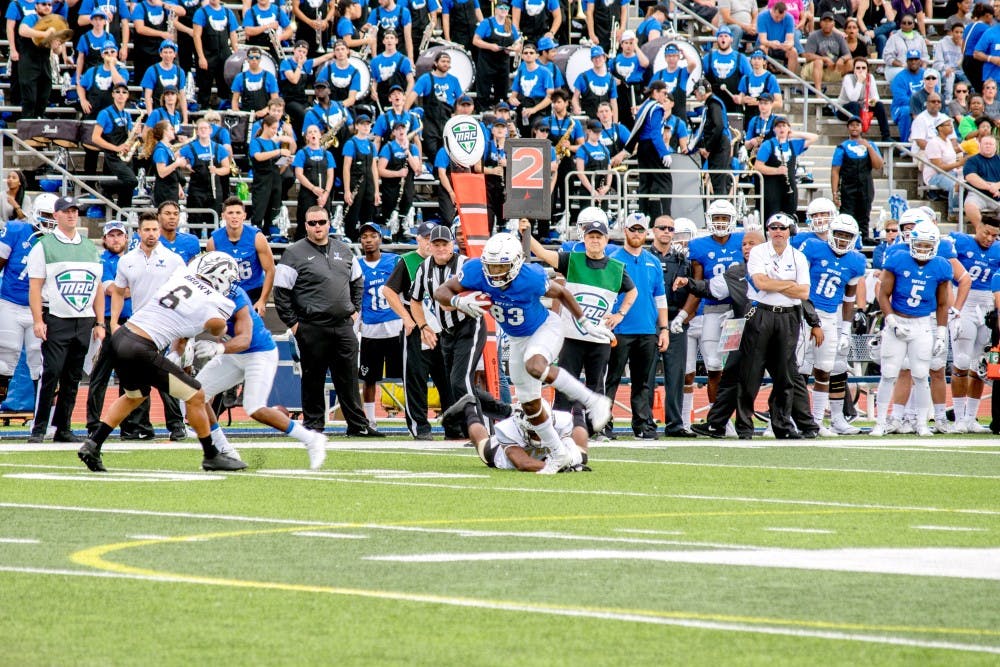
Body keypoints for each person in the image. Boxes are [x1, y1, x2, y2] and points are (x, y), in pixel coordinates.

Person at [435, 231, 613, 471]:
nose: (495, 273)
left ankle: (594, 401)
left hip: (544, 327)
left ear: (516, 263)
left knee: (536, 365)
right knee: (530, 405)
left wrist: (585, 322)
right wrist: (458, 301)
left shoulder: (530, 277)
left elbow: (561, 291)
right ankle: (559, 454)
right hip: (517, 338)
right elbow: (441, 291)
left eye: (501, 267)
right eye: (492, 267)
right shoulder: (476, 270)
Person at [77, 253, 247, 473]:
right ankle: (211, 455)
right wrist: (219, 328)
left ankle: (93, 444)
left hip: (121, 338)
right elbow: (217, 327)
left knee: (135, 396)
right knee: (196, 395)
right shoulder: (218, 300)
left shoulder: (181, 275)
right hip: (141, 347)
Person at [273, 205, 383, 437]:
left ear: (329, 223)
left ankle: (358, 425)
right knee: (313, 378)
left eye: (321, 222)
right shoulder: (293, 253)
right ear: (305, 226)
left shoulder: (344, 250)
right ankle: (314, 426)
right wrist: (294, 324)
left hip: (343, 325)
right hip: (311, 326)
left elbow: (358, 282)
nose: (317, 227)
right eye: (312, 223)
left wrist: (354, 311)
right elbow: (281, 292)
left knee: (349, 378)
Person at [522, 216, 636, 435]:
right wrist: (526, 233)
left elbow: (633, 291)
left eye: (599, 237)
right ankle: (562, 427)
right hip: (571, 336)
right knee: (565, 381)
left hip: (599, 338)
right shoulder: (571, 260)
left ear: (606, 240)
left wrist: (620, 314)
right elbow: (543, 254)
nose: (595, 241)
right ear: (584, 239)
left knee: (596, 385)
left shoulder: (616, 268)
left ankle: (595, 429)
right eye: (591, 236)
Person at [197, 283, 329, 468]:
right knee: (196, 395)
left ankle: (311, 439)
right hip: (232, 355)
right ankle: (225, 450)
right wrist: (178, 349)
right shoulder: (202, 294)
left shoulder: (236, 297)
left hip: (258, 354)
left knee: (254, 408)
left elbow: (245, 340)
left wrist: (218, 348)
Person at [27, 196, 105, 443]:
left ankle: (64, 426)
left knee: (73, 377)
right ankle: (39, 427)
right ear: (56, 214)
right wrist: (38, 320)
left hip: (83, 319)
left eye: (74, 211)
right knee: (51, 373)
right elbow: (35, 287)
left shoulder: (90, 246)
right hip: (57, 317)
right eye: (67, 211)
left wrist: (100, 322)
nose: (72, 215)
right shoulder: (44, 245)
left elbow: (98, 287)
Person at [107, 212, 188, 440]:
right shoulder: (127, 260)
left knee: (166, 378)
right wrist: (114, 322)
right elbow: (119, 292)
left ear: (159, 231)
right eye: (147, 230)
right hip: (138, 328)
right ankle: (139, 427)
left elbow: (184, 295)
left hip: (165, 327)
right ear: (139, 232)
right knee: (136, 379)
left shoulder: (174, 260)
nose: (151, 234)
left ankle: (176, 425)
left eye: (154, 229)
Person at [870, 221, 953, 437]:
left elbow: (943, 303)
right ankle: (880, 422)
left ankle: (922, 423)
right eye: (920, 244)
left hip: (922, 323)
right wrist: (891, 320)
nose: (923, 249)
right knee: (888, 373)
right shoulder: (898, 258)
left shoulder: (942, 265)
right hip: (897, 320)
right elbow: (883, 294)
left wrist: (942, 333)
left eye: (928, 245)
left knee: (920, 374)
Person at [736, 213, 812, 440]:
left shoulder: (798, 256)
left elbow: (804, 292)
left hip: (788, 317)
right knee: (751, 372)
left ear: (790, 230)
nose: (778, 231)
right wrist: (789, 284)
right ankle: (744, 426)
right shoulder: (759, 251)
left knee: (785, 374)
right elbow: (760, 283)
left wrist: (775, 284)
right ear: (768, 230)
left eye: (783, 227)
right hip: (761, 313)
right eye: (774, 227)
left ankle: (782, 425)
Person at [408, 225, 482, 438]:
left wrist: (458, 303)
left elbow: (482, 296)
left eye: (445, 244)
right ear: (429, 246)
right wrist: (423, 326)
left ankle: (478, 431)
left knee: (460, 381)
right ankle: (465, 428)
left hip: (469, 325)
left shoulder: (465, 265)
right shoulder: (424, 268)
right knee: (454, 384)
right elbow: (415, 301)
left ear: (452, 245)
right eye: (436, 244)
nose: (440, 248)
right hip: (446, 331)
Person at [798, 214, 867, 436]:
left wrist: (846, 328)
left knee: (826, 368)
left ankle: (818, 421)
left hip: (830, 316)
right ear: (830, 233)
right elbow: (798, 279)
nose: (842, 239)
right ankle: (793, 417)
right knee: (799, 367)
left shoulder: (856, 261)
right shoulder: (813, 248)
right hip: (805, 311)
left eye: (847, 236)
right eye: (839, 234)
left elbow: (849, 298)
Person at [604, 213, 671, 439]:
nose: (636, 234)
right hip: (619, 329)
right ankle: (602, 423)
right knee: (611, 379)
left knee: (643, 382)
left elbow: (660, 298)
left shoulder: (653, 261)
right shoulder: (612, 258)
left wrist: (664, 329)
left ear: (647, 233)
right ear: (625, 231)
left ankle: (642, 425)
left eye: (640, 230)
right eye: (632, 229)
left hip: (647, 330)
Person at [680, 200, 744, 433]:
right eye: (716, 218)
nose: (719, 223)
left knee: (734, 368)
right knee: (714, 366)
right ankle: (720, 420)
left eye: (724, 218)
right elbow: (697, 283)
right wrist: (685, 313)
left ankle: (736, 418)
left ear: (732, 220)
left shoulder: (742, 240)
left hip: (736, 313)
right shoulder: (698, 246)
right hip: (711, 311)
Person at [86, 220, 153, 441]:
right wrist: (134, 287)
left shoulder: (135, 259)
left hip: (134, 321)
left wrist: (127, 288)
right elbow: (113, 290)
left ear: (127, 238)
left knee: (133, 376)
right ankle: (94, 423)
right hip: (107, 321)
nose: (116, 239)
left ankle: (133, 425)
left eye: (119, 235)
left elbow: (124, 289)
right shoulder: (102, 261)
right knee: (100, 376)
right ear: (104, 239)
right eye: (111, 235)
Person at [382, 221, 448, 439]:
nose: (431, 243)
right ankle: (420, 426)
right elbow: (389, 291)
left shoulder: (446, 262)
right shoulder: (408, 261)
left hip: (442, 330)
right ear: (418, 239)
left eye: (435, 239)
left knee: (447, 380)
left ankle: (453, 424)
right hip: (418, 330)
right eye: (427, 238)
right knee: (416, 380)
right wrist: (407, 319)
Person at [0, 193, 55, 406]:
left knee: (40, 363)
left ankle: (43, 421)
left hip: (41, 309)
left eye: (54, 215)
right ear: (35, 214)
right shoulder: (16, 230)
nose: (50, 220)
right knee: (4, 360)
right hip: (10, 303)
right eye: (46, 215)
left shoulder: (59, 240)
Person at [948, 218, 999, 433]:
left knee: (980, 364)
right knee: (961, 360)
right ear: (977, 226)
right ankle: (959, 417)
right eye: (986, 233)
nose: (989, 239)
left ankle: (971, 417)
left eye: (994, 235)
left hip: (987, 304)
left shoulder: (998, 249)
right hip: (965, 302)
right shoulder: (959, 241)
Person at [650, 215, 697, 436]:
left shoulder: (683, 261)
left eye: (671, 228)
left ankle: (675, 424)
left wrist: (683, 317)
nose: (667, 232)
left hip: (675, 320)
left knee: (676, 375)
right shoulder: (643, 257)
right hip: (649, 323)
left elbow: (693, 291)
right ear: (654, 230)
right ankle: (644, 422)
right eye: (662, 228)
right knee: (645, 376)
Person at [354, 222, 402, 429]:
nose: (368, 240)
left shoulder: (394, 261)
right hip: (370, 329)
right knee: (369, 378)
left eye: (372, 236)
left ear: (380, 238)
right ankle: (371, 421)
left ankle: (413, 416)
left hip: (395, 325)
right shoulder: (356, 264)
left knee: (406, 375)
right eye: (364, 236)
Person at [207, 197, 276, 313]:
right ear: (223, 216)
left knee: (252, 328)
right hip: (228, 291)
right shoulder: (213, 241)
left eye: (238, 212)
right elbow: (211, 275)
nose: (234, 216)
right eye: (230, 213)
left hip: (253, 290)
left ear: (244, 215)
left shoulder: (257, 237)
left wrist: (262, 300)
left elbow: (270, 270)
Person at [471, 406, 589, 473]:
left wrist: (570, 462)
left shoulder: (559, 422)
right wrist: (561, 467)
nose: (541, 436)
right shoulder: (509, 430)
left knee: (581, 456)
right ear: (522, 427)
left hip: (545, 456)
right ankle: (469, 410)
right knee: (482, 445)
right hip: (501, 452)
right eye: (535, 432)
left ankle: (578, 409)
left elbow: (573, 452)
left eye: (544, 430)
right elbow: (524, 463)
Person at [832, 115, 885, 241]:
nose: (854, 127)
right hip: (848, 185)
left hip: (865, 184)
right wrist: (835, 192)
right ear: (848, 128)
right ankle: (845, 237)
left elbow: (878, 165)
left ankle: (863, 237)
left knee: (864, 213)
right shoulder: (842, 147)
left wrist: (869, 147)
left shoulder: (870, 144)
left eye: (857, 125)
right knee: (847, 213)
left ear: (862, 128)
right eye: (852, 125)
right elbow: (835, 171)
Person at [754, 116, 818, 221]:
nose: (781, 129)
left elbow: (814, 137)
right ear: (774, 129)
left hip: (789, 188)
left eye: (784, 126)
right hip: (772, 189)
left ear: (788, 128)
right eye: (778, 126)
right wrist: (776, 171)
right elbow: (758, 166)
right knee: (771, 218)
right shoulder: (768, 145)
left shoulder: (793, 144)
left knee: (789, 219)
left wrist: (794, 134)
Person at [405, 50, 462, 165]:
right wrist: (404, 112)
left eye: (448, 62)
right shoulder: (426, 78)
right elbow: (413, 95)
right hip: (430, 122)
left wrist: (458, 116)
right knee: (432, 151)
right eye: (443, 61)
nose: (446, 64)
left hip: (447, 120)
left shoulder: (454, 80)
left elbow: (461, 100)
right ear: (436, 63)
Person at [90, 83, 140, 208]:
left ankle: (123, 217)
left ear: (128, 95)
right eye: (117, 92)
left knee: (127, 195)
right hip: (113, 156)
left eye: (124, 92)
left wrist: (135, 136)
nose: (121, 95)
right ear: (112, 94)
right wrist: (116, 148)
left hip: (126, 157)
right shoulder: (105, 113)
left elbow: (128, 137)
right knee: (132, 181)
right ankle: (103, 185)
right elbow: (95, 138)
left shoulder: (127, 115)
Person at [18, 0, 67, 118]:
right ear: (36, 6)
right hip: (29, 62)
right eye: (43, 4)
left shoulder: (53, 23)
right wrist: (45, 35)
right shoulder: (31, 18)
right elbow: (22, 30)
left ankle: (39, 124)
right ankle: (27, 127)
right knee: (30, 99)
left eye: (49, 5)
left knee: (44, 97)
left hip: (45, 63)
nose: (47, 7)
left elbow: (58, 51)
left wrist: (56, 46)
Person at [179, 118, 231, 227]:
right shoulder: (190, 147)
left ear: (210, 130)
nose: (203, 130)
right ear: (197, 131)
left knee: (213, 222)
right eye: (200, 128)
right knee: (195, 221)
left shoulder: (219, 148)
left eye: (205, 128)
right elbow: (175, 158)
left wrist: (216, 170)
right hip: (196, 190)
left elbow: (227, 169)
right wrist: (186, 165)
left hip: (213, 190)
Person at [248, 115, 294, 233]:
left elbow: (277, 167)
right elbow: (258, 156)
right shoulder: (256, 142)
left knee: (273, 212)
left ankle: (272, 234)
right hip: (262, 182)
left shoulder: (274, 144)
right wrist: (278, 151)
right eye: (273, 128)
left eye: (276, 128)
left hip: (275, 181)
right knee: (259, 211)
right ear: (265, 126)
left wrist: (285, 162)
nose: (275, 131)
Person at [192, 0, 239, 111]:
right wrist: (201, 57)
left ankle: (224, 110)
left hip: (224, 54)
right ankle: (204, 110)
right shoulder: (201, 12)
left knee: (225, 86)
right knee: (205, 86)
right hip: (207, 54)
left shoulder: (228, 12)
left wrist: (236, 53)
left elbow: (233, 34)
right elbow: (196, 35)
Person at [471, 2, 519, 111]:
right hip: (486, 62)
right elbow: (475, 40)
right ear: (496, 10)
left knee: (502, 93)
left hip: (503, 63)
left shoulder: (510, 25)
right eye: (501, 8)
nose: (503, 10)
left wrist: (513, 48)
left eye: (506, 8)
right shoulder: (486, 23)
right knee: (483, 92)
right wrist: (490, 46)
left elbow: (518, 42)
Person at [691, 79, 734, 199]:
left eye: (695, 92)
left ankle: (721, 211)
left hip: (719, 145)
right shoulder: (712, 103)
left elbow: (718, 126)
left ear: (701, 91)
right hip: (718, 144)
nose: (695, 95)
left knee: (718, 181)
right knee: (717, 181)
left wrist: (708, 147)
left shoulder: (713, 104)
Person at [377, 122, 423, 235]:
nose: (401, 131)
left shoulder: (413, 148)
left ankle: (404, 232)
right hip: (391, 189)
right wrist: (397, 173)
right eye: (398, 129)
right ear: (394, 132)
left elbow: (417, 169)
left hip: (407, 189)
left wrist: (407, 152)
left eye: (403, 128)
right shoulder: (388, 147)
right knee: (390, 217)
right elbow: (380, 170)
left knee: (405, 214)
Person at [342, 115, 380, 242]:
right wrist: (347, 190)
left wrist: (376, 191)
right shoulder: (351, 143)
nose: (366, 127)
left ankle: (366, 241)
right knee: (352, 213)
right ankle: (350, 238)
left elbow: (374, 168)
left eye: (368, 124)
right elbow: (346, 168)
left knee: (368, 215)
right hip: (355, 183)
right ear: (357, 126)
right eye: (363, 124)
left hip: (369, 185)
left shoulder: (371, 145)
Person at [837, 58, 892, 142]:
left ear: (867, 69)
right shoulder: (848, 78)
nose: (861, 70)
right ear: (854, 69)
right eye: (858, 68)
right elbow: (853, 98)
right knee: (855, 105)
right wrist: (859, 81)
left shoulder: (870, 78)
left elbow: (876, 98)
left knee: (879, 105)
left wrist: (868, 103)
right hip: (844, 109)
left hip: (862, 107)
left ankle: (886, 136)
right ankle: (858, 137)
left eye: (863, 68)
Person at [923, 115, 966, 218]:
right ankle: (953, 213)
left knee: (968, 180)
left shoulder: (948, 142)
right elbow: (939, 167)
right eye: (948, 125)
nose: (951, 127)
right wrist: (959, 164)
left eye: (951, 125)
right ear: (940, 128)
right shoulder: (934, 143)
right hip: (935, 176)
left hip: (950, 172)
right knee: (956, 184)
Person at [802, 12, 853, 92]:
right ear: (820, 23)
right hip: (814, 69)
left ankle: (848, 93)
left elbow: (848, 55)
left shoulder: (839, 37)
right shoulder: (814, 36)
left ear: (834, 23)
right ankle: (818, 94)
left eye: (830, 21)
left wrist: (842, 59)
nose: (827, 24)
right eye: (825, 21)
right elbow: (807, 56)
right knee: (818, 62)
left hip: (832, 68)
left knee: (850, 63)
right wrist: (824, 59)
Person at [140, 40, 190, 121]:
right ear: (160, 53)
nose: (168, 55)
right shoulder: (152, 70)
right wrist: (151, 117)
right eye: (165, 52)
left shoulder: (180, 72)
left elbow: (182, 96)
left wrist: (185, 119)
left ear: (175, 54)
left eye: (170, 52)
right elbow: (148, 96)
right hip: (158, 111)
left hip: (175, 113)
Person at [369, 30, 415, 111]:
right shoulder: (375, 61)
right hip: (383, 98)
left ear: (396, 41)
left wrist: (405, 97)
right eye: (387, 38)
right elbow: (375, 80)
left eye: (392, 38)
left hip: (399, 97)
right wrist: (373, 92)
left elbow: (411, 81)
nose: (389, 40)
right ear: (383, 41)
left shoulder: (404, 60)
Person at [231, 46, 280, 119]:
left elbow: (275, 100)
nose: (254, 60)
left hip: (266, 116)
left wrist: (265, 111)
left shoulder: (270, 77)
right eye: (251, 57)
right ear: (247, 59)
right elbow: (235, 100)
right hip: (246, 115)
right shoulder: (239, 77)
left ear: (260, 59)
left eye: (257, 57)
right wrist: (238, 114)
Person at [571, 45, 617, 121]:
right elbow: (575, 98)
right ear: (591, 59)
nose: (597, 60)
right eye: (594, 57)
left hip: (605, 120)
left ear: (604, 58)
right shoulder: (583, 77)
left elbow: (614, 103)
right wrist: (576, 107)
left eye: (599, 57)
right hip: (588, 120)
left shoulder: (611, 79)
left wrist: (614, 123)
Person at [963, 133, 1000, 225]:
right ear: (980, 145)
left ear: (995, 147)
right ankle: (980, 229)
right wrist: (990, 187)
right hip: (977, 194)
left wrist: (996, 186)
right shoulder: (972, 160)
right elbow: (970, 177)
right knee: (970, 205)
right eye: (985, 143)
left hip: (998, 194)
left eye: (990, 144)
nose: (988, 146)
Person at [890, 50, 927, 142]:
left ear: (920, 61)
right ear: (906, 61)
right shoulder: (899, 77)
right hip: (901, 107)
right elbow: (900, 99)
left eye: (916, 59)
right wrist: (919, 105)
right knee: (907, 111)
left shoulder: (926, 74)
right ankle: (906, 146)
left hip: (924, 106)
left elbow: (934, 91)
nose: (913, 62)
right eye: (911, 60)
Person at [755, 4, 799, 77]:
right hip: (767, 46)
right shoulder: (762, 16)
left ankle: (791, 79)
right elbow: (763, 40)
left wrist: (787, 45)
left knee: (793, 52)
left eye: (781, 18)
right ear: (772, 11)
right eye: (777, 17)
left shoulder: (789, 18)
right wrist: (771, 43)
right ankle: (761, 76)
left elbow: (791, 40)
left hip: (782, 47)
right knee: (762, 49)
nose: (779, 19)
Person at [884, 14, 929, 83]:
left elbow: (925, 57)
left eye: (909, 23)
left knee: (934, 74)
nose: (906, 25)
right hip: (896, 68)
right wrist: (903, 65)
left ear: (914, 25)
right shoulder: (893, 38)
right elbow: (888, 57)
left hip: (916, 68)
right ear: (900, 25)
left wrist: (922, 69)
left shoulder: (920, 39)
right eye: (904, 23)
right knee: (907, 73)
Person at [936, 18, 970, 103]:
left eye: (961, 32)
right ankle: (948, 101)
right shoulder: (942, 43)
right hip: (946, 71)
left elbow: (963, 64)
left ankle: (967, 103)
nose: (959, 35)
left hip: (960, 71)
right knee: (950, 76)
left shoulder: (965, 44)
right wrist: (946, 68)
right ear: (951, 32)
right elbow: (937, 63)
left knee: (972, 79)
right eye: (956, 32)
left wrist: (962, 49)